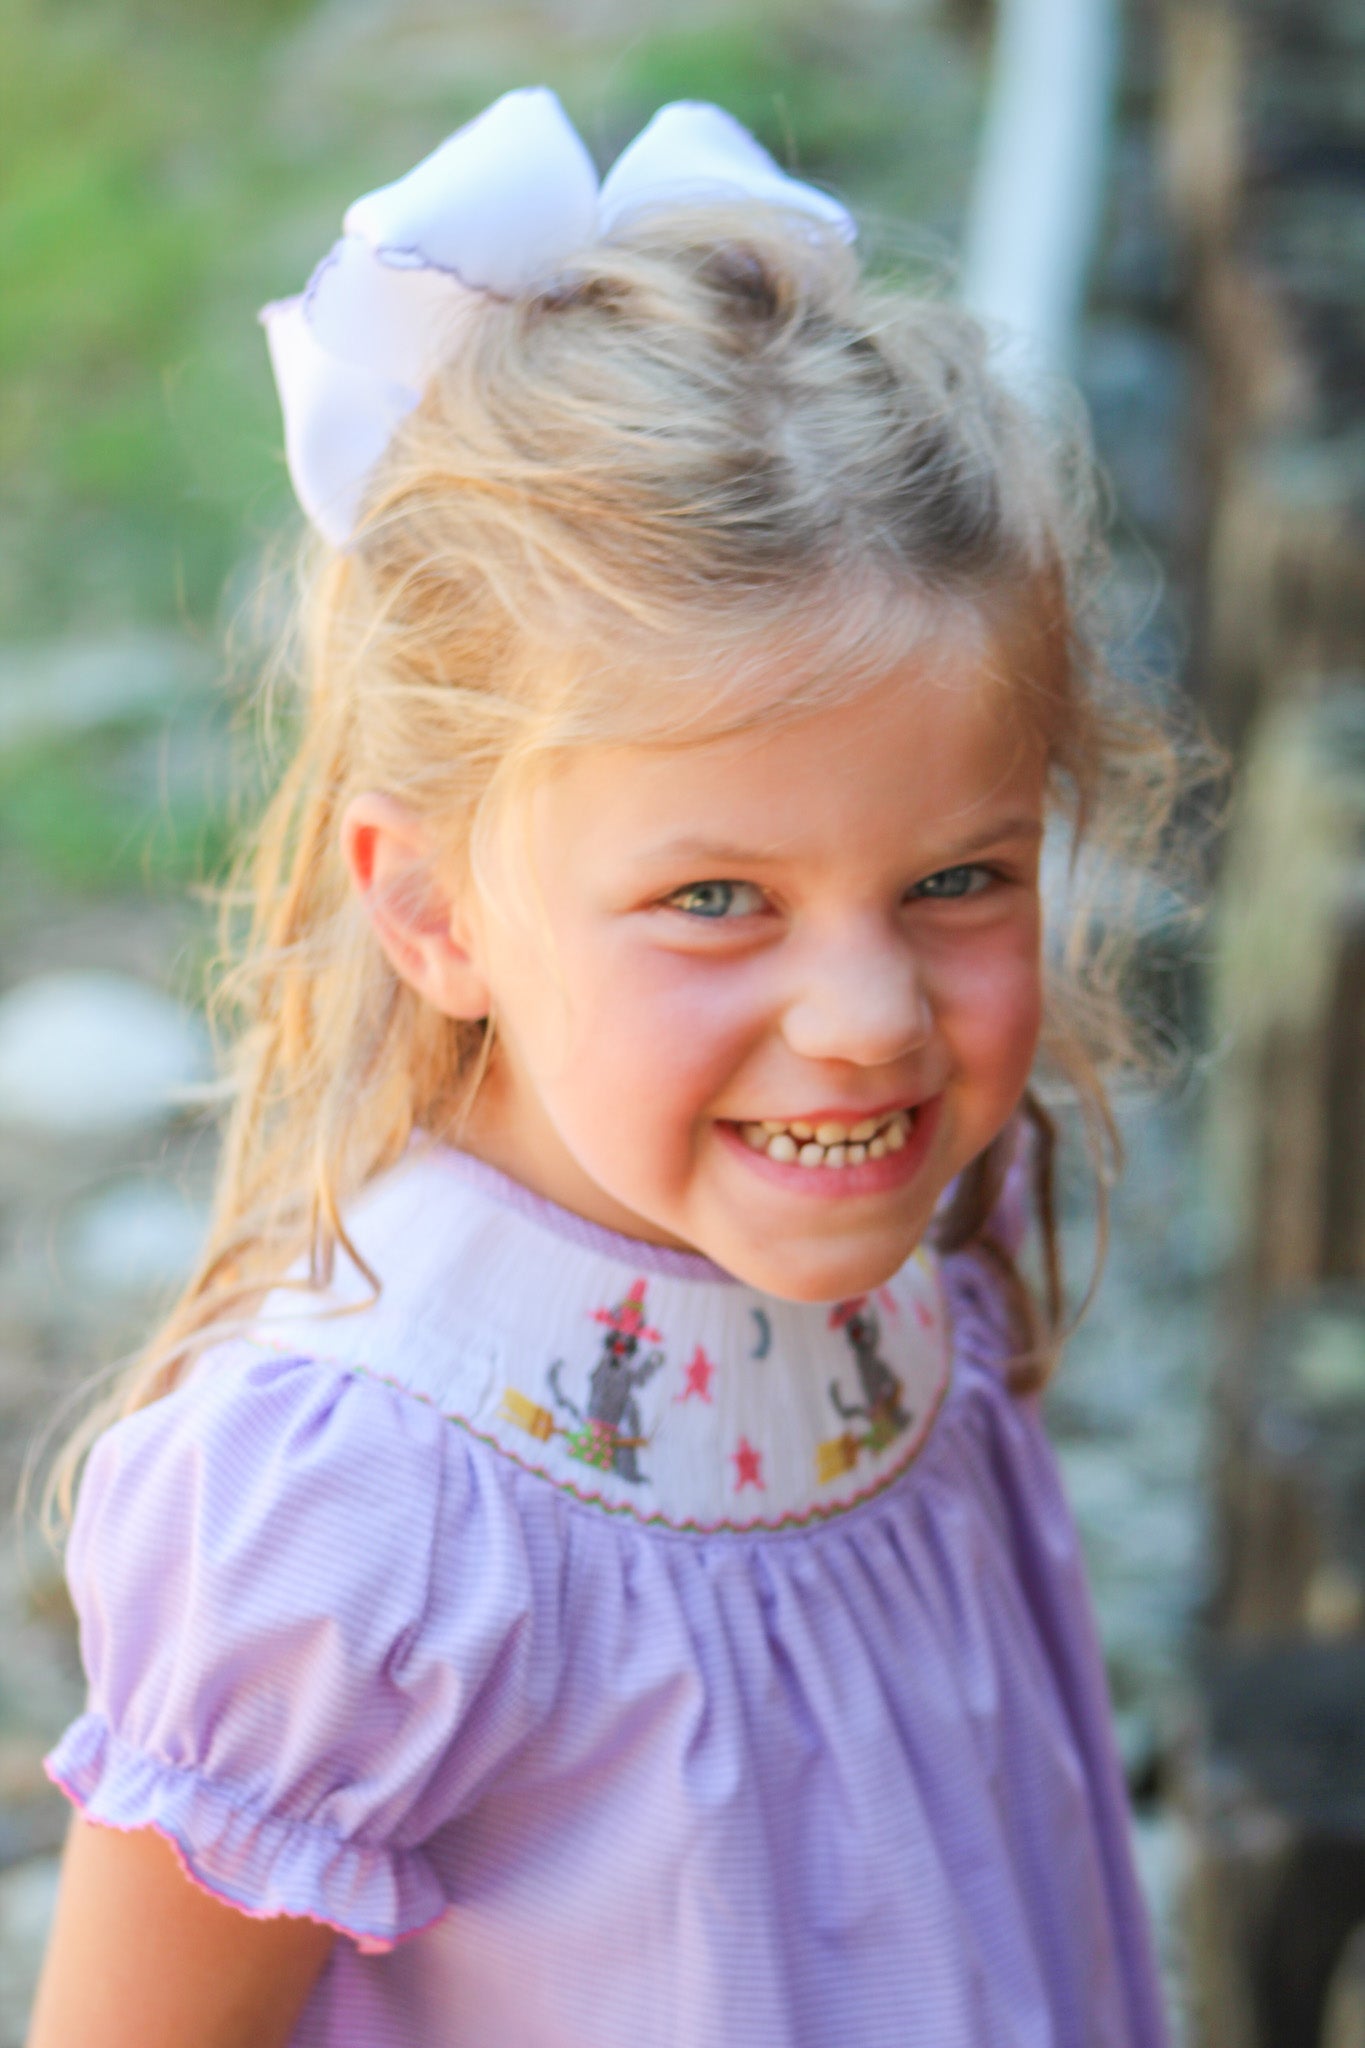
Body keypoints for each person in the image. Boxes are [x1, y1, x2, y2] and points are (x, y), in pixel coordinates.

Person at [28, 87, 1185, 2048]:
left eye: (957, 877)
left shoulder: (901, 1248)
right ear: (435, 910)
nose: (870, 1017)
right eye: (719, 895)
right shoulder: (361, 1509)